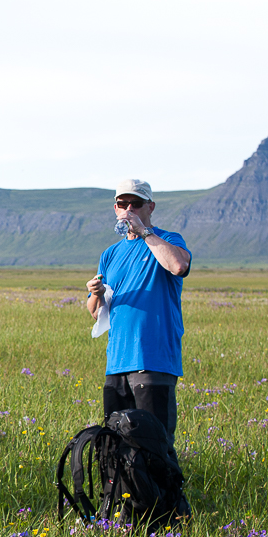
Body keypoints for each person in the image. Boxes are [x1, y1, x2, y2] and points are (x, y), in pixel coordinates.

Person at [86, 179, 192, 449]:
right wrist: (96, 292)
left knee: (154, 442)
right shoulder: (110, 254)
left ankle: (160, 493)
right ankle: (121, 493)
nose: (129, 210)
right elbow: (95, 311)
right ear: (115, 209)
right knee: (116, 444)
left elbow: (178, 266)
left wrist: (145, 232)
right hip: (117, 363)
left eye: (136, 204)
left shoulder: (167, 240)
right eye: (123, 204)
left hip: (153, 361)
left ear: (150, 207)